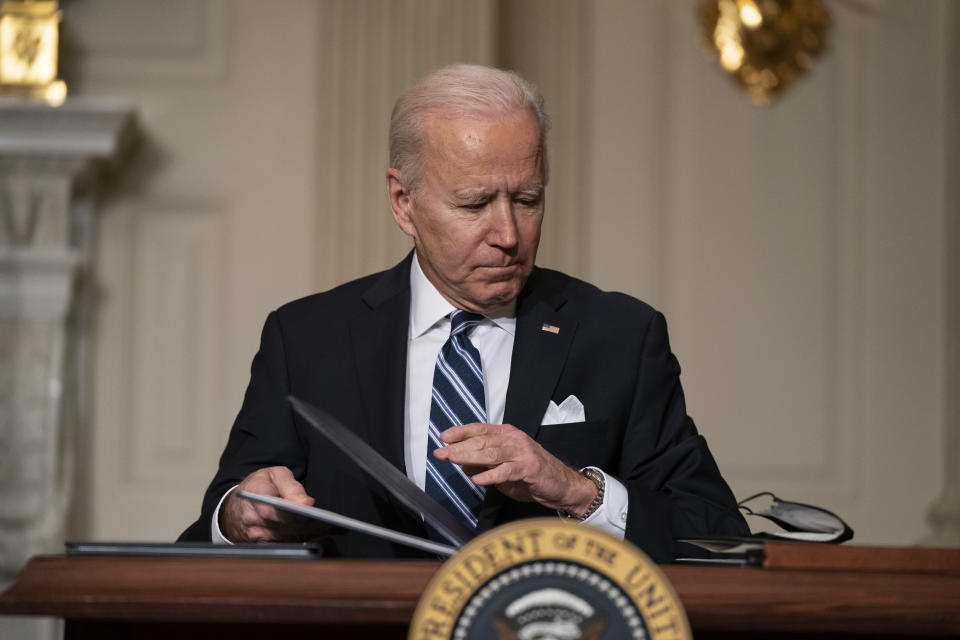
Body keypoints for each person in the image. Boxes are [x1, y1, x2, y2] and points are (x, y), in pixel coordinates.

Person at [179, 64, 748, 562]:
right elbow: (218, 524)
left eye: (527, 200)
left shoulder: (621, 337)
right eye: (474, 204)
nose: (507, 235)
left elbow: (716, 534)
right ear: (404, 202)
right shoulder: (306, 338)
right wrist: (242, 518)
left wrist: (575, 490)